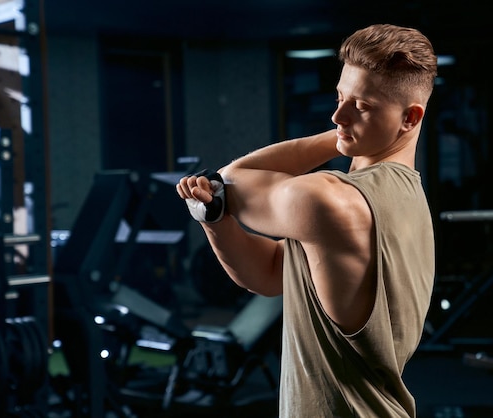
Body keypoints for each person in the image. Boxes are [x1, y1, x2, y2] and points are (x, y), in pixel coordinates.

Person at [176, 23, 437, 418]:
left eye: (361, 106)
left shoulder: (331, 202)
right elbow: (268, 273)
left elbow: (230, 178)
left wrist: (339, 139)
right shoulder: (404, 197)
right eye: (339, 97)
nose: (337, 115)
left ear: (409, 119)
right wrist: (216, 220)